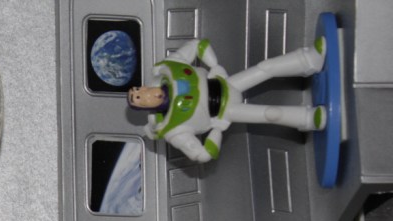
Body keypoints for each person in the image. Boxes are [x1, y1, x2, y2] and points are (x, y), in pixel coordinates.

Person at [128, 37, 326, 163]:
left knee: (266, 68)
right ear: (145, 108)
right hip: (226, 111)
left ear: (144, 87)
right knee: (270, 114)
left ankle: (309, 60)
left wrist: (214, 64)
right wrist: (217, 130)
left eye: (140, 91)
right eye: (140, 100)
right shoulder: (172, 129)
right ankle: (308, 118)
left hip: (227, 84)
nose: (145, 95)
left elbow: (198, 45)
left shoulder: (168, 68)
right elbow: (202, 154)